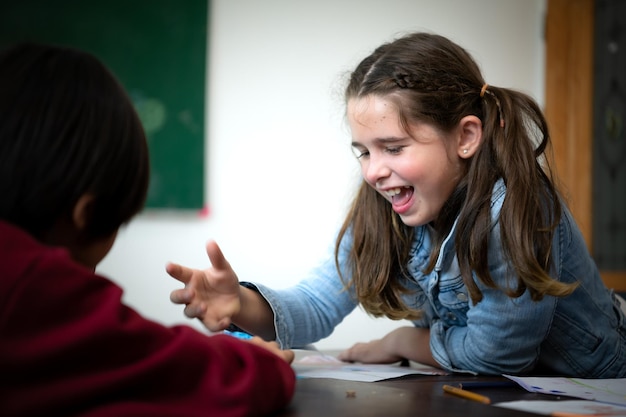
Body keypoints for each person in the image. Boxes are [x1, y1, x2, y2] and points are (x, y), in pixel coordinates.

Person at [167, 32, 626, 377]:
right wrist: (241, 304)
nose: (371, 172)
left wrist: (403, 340)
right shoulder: (383, 209)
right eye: (364, 151)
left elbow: (497, 354)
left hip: (600, 377)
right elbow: (315, 302)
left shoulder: (513, 209)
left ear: (466, 137)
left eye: (393, 147)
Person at [0, 42, 295, 416]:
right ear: (85, 214)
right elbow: (202, 378)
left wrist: (242, 303)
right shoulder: (29, 285)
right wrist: (253, 360)